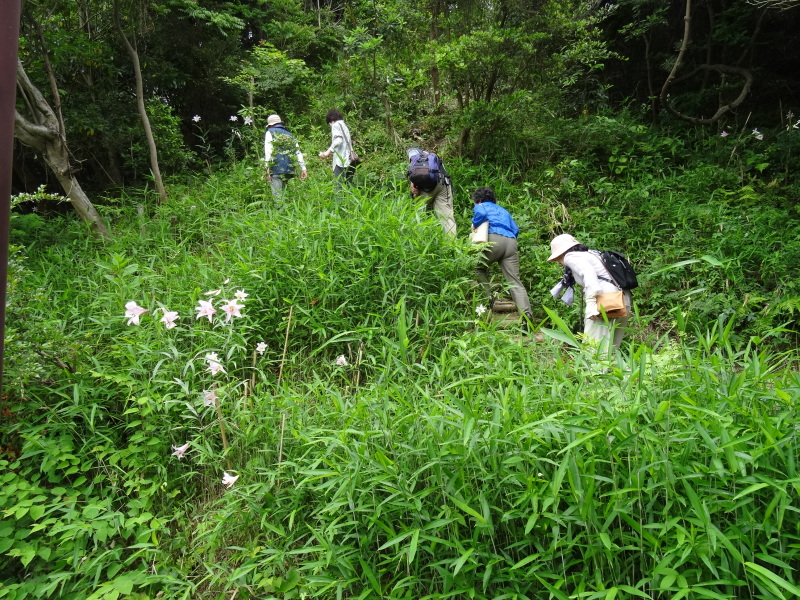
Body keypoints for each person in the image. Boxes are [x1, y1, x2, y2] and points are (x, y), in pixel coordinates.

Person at [547, 233, 631, 352]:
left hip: (605, 303)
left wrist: (591, 304)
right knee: (611, 351)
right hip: (622, 300)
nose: (559, 262)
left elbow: (589, 273)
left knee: (593, 349)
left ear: (560, 253)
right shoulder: (593, 254)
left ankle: (593, 371)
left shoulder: (570, 257)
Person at [471, 187, 532, 328]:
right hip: (511, 242)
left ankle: (488, 299)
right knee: (515, 282)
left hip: (492, 239)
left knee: (477, 268)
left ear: (478, 199)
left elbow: (481, 214)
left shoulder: (480, 206)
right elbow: (515, 229)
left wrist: (475, 223)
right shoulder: (504, 211)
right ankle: (526, 318)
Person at [407, 147, 456, 237]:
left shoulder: (414, 155)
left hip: (424, 187)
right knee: (446, 217)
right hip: (442, 183)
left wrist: (412, 183)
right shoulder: (432, 157)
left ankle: (419, 240)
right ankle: (452, 245)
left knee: (419, 215)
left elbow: (413, 170)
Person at [264, 114, 307, 200]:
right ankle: (286, 212)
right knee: (284, 195)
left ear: (270, 125)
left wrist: (267, 168)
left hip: (276, 169)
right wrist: (303, 168)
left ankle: (279, 212)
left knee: (277, 198)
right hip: (289, 170)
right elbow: (298, 152)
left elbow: (268, 151)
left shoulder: (270, 132)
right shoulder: (290, 135)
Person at [318, 109, 355, 188]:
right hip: (351, 159)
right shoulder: (344, 126)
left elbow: (338, 140)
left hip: (340, 161)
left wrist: (328, 152)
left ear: (331, 119)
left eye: (329, 123)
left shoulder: (335, 125)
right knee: (349, 187)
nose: (330, 125)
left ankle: (339, 201)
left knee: (338, 187)